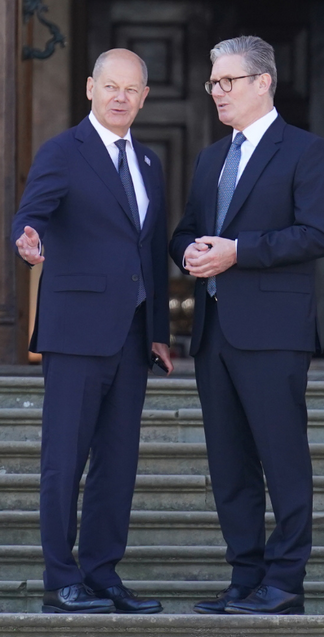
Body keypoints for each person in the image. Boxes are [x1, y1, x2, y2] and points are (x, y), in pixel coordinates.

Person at [169, 36, 324, 615]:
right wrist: (189, 251)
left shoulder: (306, 151)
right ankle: (245, 576)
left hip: (273, 332)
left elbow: (319, 234)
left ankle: (285, 581)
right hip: (214, 330)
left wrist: (239, 251)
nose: (217, 92)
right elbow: (186, 228)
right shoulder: (211, 157)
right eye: (213, 83)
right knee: (230, 463)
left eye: (228, 82)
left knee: (282, 459)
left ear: (263, 82)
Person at [10, 48, 173, 614]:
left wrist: (157, 330)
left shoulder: (150, 162)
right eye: (111, 86)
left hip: (130, 335)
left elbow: (150, 249)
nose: (121, 96)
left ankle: (103, 573)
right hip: (76, 332)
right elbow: (32, 214)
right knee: (65, 456)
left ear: (144, 96)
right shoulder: (64, 151)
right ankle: (62, 578)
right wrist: (28, 239)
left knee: (117, 459)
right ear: (89, 88)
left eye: (132, 89)